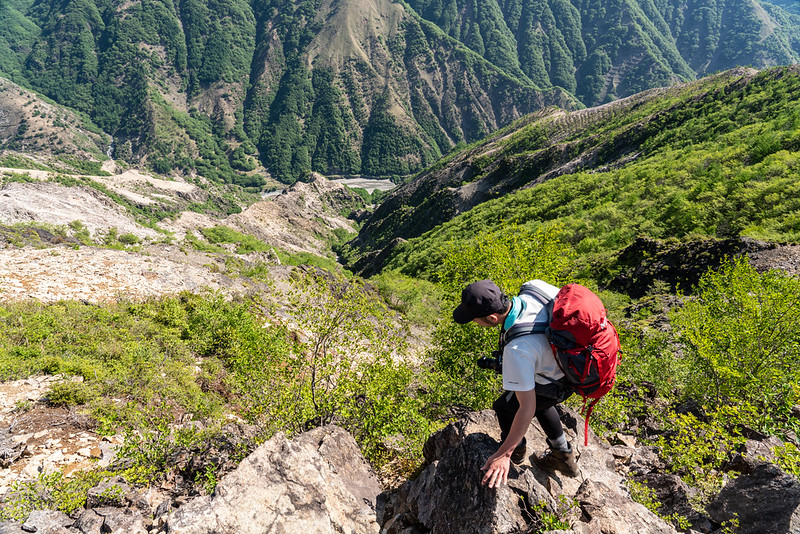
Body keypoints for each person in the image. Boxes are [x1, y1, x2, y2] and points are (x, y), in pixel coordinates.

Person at [453, 279, 579, 489]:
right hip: (575, 364)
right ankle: (563, 453)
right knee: (542, 401)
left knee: (505, 407)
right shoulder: (535, 288)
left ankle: (518, 450)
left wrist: (504, 453)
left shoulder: (518, 349)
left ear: (493, 318)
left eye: (475, 320)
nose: (476, 324)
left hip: (560, 380)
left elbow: (527, 407)